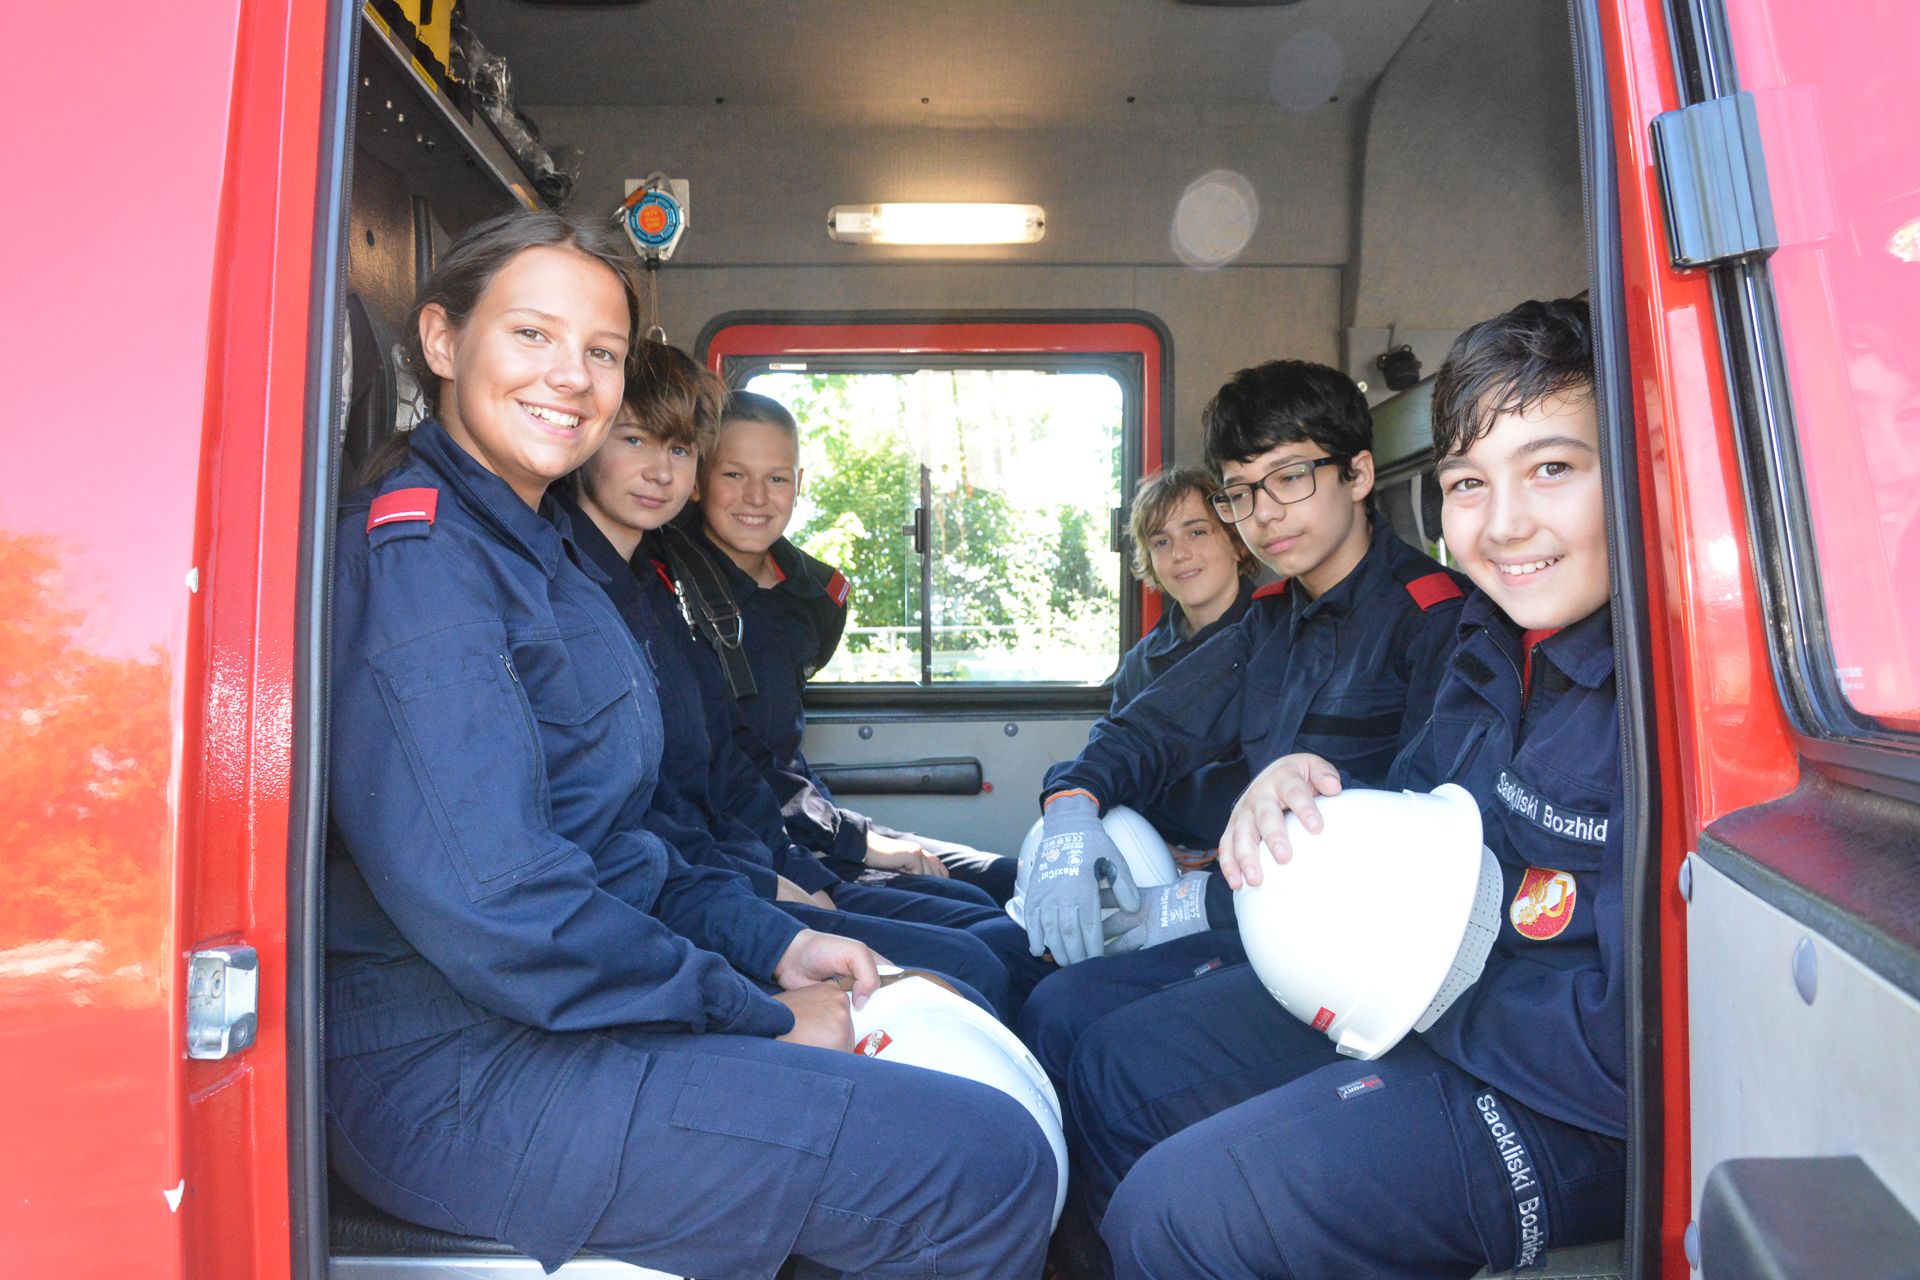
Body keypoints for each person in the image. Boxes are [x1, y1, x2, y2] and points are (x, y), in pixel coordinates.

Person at [324, 210, 1053, 1279]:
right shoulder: (423, 562)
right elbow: (504, 904)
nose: (570, 377)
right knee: (977, 1167)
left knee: (968, 1107)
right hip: (454, 1067)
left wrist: (776, 945)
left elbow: (624, 845)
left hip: (551, 1015)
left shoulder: (544, 557)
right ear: (442, 340)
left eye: (602, 352)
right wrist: (753, 1009)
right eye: (531, 335)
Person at [1082, 298, 1626, 1278]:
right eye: (1468, 483)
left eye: (1551, 468)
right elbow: (1418, 826)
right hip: (1405, 987)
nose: (1506, 524)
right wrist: (1299, 789)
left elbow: (1636, 1043)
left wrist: (1424, 991)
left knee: (1176, 1211)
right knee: (1111, 1068)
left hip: (1547, 1086)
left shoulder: (1657, 700)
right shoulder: (1488, 647)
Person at [1013, 361, 1470, 1078]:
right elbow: (1146, 730)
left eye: (1289, 477)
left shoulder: (1436, 620)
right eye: (1240, 491)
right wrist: (1072, 810)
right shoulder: (1268, 623)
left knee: (1091, 1035)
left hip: (1356, 950)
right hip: (1253, 913)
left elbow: (1419, 850)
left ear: (1356, 475)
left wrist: (1189, 905)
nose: (1264, 513)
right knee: (1042, 987)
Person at [556, 340, 1015, 1019]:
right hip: (696, 892)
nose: (658, 470)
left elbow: (726, 769)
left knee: (987, 920)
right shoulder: (585, 593)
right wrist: (781, 887)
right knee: (979, 959)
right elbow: (645, 818)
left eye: (678, 449)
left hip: (736, 864)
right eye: (635, 441)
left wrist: (787, 870)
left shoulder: (652, 597)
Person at [676, 390, 1019, 905]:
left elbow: (781, 749)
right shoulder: (672, 597)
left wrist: (848, 835)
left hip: (812, 821)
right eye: (734, 474)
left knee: (1012, 878)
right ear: (699, 480)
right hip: (758, 840)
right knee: (983, 919)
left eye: (776, 478)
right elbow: (733, 769)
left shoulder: (815, 595)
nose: (756, 497)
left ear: (799, 484)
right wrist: (854, 844)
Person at [1107, 467, 1258, 849]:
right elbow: (1124, 772)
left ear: (1237, 543)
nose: (1179, 554)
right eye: (1161, 542)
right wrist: (1157, 847)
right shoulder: (1140, 664)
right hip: (1159, 850)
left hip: (1261, 846)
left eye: (1197, 532)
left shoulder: (1284, 636)